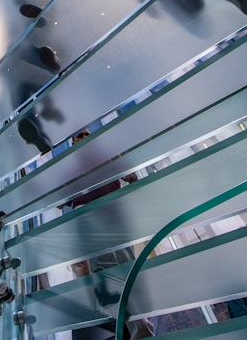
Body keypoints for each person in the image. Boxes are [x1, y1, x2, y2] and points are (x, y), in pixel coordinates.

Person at [64, 129, 155, 339]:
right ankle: (125, 328)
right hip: (90, 223)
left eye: (86, 136)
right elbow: (62, 202)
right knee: (104, 277)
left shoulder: (105, 160)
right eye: (78, 137)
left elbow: (132, 177)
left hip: (113, 221)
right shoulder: (71, 171)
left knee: (126, 270)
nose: (83, 140)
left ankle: (140, 330)